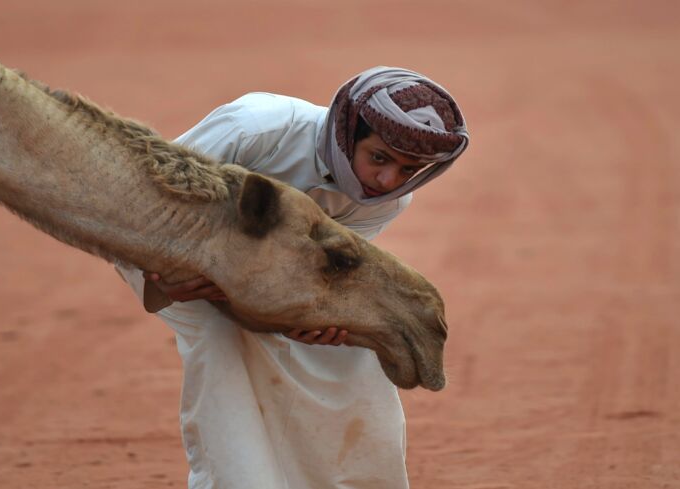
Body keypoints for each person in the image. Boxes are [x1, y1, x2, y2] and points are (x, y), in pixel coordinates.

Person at [117, 66, 469, 489]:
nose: (387, 180)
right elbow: (139, 202)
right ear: (347, 132)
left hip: (285, 284)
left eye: (408, 170)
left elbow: (328, 273)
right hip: (190, 269)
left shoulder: (388, 201)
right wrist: (162, 282)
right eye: (379, 157)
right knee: (224, 354)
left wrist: (320, 323)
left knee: (353, 362)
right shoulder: (256, 127)